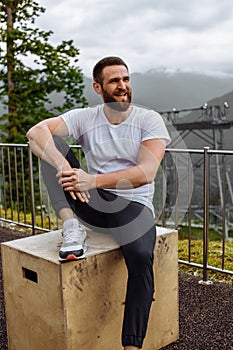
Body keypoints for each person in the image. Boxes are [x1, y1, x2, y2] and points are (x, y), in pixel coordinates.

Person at [26, 56, 171, 350]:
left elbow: (146, 173)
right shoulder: (86, 116)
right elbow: (35, 132)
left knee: (142, 258)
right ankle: (71, 225)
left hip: (135, 208)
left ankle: (132, 345)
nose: (122, 86)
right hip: (91, 203)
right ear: (98, 87)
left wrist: (92, 180)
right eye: (114, 81)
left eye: (126, 79)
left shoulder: (149, 119)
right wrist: (64, 168)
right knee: (48, 148)